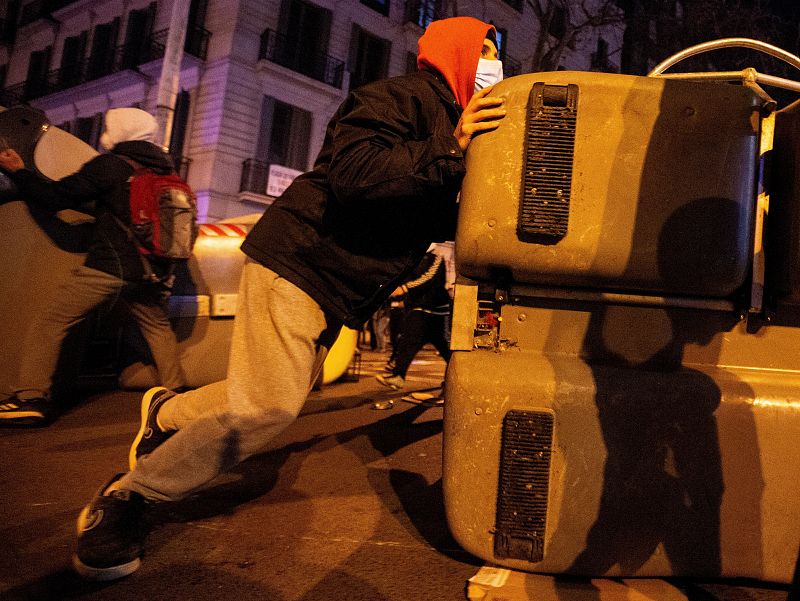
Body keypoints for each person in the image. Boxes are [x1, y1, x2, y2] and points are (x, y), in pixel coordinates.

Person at [70, 16, 506, 581]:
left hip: (334, 281)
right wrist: (451, 144)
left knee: (272, 391)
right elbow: (354, 174)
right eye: (488, 50)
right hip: (301, 260)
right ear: (459, 53)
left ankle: (166, 410)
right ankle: (131, 498)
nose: (497, 65)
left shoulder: (456, 124)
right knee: (269, 406)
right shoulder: (398, 99)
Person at [0, 108, 187, 427]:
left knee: (52, 319)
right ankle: (178, 397)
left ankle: (30, 398)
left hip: (111, 265)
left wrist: (19, 171)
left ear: (119, 131)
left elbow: (56, 196)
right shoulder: (165, 172)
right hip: (152, 267)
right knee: (156, 327)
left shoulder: (112, 165)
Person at [375, 247, 453, 391]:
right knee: (410, 342)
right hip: (422, 309)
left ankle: (456, 376)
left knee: (414, 342)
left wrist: (405, 288)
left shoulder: (436, 258)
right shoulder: (415, 259)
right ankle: (399, 375)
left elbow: (428, 278)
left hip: (433, 310)